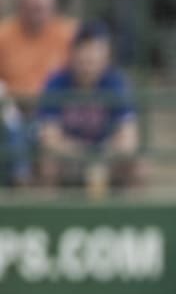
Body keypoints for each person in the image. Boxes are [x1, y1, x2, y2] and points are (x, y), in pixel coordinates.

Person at [36, 22, 140, 188]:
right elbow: (49, 139)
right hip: (69, 158)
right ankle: (50, 212)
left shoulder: (116, 82)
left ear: (106, 56)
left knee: (138, 166)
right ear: (73, 54)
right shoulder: (56, 82)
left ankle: (130, 213)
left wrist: (101, 155)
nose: (88, 59)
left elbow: (129, 140)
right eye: (84, 52)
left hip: (106, 157)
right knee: (48, 164)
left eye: (95, 52)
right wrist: (82, 154)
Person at [0, 0, 77, 105]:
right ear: (20, 5)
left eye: (40, 8)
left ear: (53, 6)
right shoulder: (4, 34)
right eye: (30, 7)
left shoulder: (70, 34)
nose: (35, 15)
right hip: (11, 107)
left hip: (56, 107)